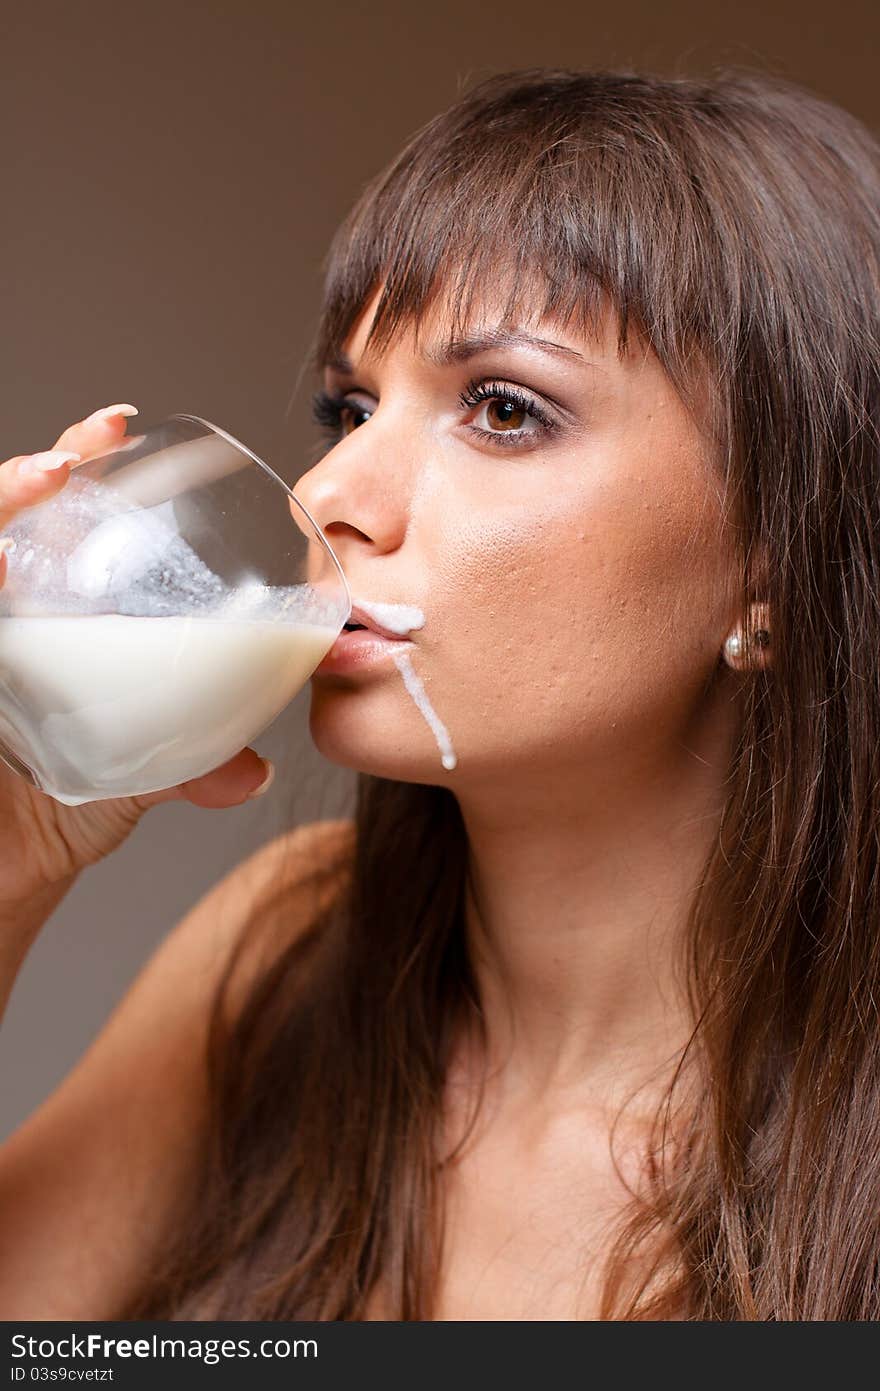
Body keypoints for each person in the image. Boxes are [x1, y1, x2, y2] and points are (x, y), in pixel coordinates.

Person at [0, 64, 878, 1322]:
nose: (339, 490)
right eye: (348, 406)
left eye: (504, 408)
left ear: (775, 569)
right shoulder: (284, 953)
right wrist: (14, 861)